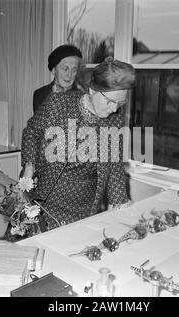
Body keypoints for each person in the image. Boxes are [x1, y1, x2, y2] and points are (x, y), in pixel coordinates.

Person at [21, 56, 135, 230]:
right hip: (48, 201)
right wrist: (29, 164)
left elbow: (114, 164)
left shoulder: (114, 121)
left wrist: (119, 201)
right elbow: (31, 132)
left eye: (120, 103)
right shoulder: (58, 104)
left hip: (86, 207)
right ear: (92, 90)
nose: (114, 109)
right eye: (110, 101)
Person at [33, 44, 83, 113]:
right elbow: (41, 122)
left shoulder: (82, 96)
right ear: (54, 71)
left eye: (74, 70)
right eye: (65, 69)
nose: (69, 75)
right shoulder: (41, 94)